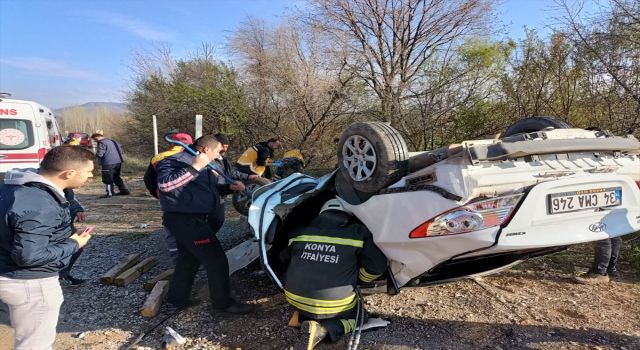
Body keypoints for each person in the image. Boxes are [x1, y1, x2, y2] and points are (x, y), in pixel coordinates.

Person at [0, 145, 94, 350]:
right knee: (34, 344)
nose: (91, 175)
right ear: (69, 173)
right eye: (88, 171)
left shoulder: (13, 186)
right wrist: (74, 243)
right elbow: (28, 256)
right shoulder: (41, 203)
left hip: (5, 271)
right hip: (29, 283)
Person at [156, 135, 254, 315]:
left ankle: (177, 300)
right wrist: (195, 167)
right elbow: (165, 186)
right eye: (218, 152)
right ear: (206, 150)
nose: (219, 156)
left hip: (197, 218)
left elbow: (207, 190)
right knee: (216, 260)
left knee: (188, 259)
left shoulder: (209, 165)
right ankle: (224, 303)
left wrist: (228, 188)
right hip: (185, 220)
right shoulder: (174, 161)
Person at [282, 198, 387, 348]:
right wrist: (360, 278)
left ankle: (302, 316)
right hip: (334, 303)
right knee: (360, 317)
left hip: (293, 297)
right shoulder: (358, 232)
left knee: (312, 304)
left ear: (321, 213)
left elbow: (284, 258)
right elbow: (378, 266)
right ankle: (323, 330)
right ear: (348, 215)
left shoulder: (298, 232)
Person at [210, 133, 259, 232]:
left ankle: (207, 241)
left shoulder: (222, 158)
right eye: (224, 147)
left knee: (218, 221)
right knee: (210, 221)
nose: (225, 149)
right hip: (211, 195)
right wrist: (228, 187)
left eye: (227, 147)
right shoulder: (208, 160)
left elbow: (231, 172)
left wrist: (248, 176)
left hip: (221, 195)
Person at [58, 188, 88, 286]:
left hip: (66, 221)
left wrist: (78, 208)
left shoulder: (66, 186)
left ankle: (63, 273)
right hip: (56, 223)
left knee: (79, 244)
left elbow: (71, 197)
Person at [91, 132, 129, 198]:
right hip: (118, 162)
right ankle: (124, 190)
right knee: (116, 177)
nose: (95, 141)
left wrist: (93, 156)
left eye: (95, 139)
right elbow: (120, 151)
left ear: (97, 137)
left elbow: (100, 154)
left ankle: (110, 193)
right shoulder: (113, 141)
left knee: (107, 178)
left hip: (108, 163)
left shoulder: (102, 143)